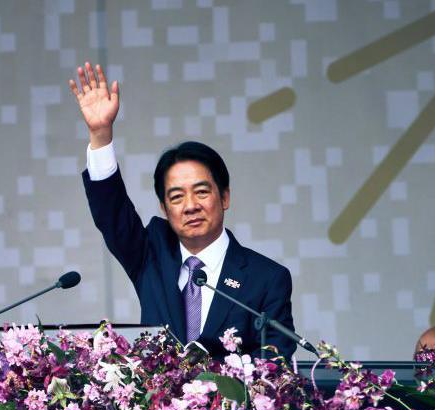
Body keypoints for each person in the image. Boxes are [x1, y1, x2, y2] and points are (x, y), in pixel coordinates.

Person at [69, 62, 297, 359]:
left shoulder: (266, 278)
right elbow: (111, 213)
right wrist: (100, 136)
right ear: (164, 208)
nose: (190, 206)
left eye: (202, 192)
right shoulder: (151, 253)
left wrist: (218, 364)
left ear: (224, 197)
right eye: (176, 197)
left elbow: (275, 361)